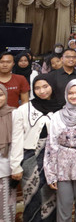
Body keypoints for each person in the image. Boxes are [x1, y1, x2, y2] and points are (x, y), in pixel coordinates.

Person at [10, 75, 62, 221]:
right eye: (37, 88)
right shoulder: (23, 110)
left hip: (54, 160)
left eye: (45, 86)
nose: (42, 91)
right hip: (30, 159)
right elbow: (16, 139)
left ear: (52, 86)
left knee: (52, 197)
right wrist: (15, 166)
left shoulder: (62, 108)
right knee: (31, 198)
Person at [43, 79, 76, 222]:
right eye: (70, 93)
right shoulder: (57, 115)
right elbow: (51, 144)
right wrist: (50, 173)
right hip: (62, 166)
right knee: (64, 206)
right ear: (66, 94)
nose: (74, 96)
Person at [0, 85, 16, 221]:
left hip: (7, 167)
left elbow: (17, 142)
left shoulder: (13, 113)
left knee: (7, 206)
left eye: (0, 94)